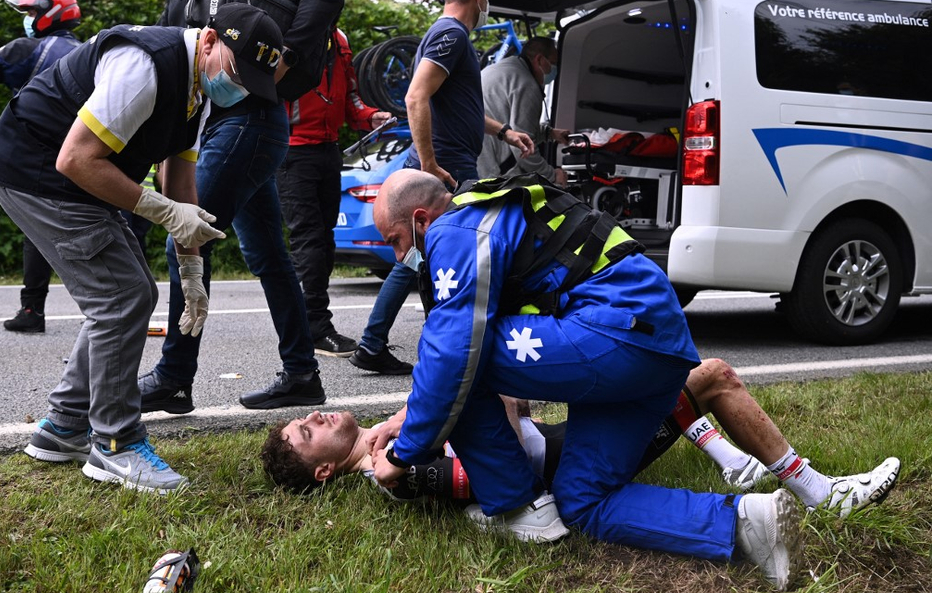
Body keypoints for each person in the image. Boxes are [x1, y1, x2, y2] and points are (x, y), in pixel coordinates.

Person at [364, 169, 810, 589]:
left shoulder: (456, 229)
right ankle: (750, 524)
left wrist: (402, 456)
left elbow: (452, 356)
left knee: (447, 353)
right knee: (583, 501)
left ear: (421, 219)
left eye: (397, 241)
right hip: (656, 349)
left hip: (616, 335)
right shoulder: (490, 209)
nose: (401, 256)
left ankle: (517, 506)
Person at [0, 3, 281, 493]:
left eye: (250, 81)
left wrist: (191, 267)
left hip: (70, 177)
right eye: (236, 71)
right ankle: (115, 444)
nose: (239, 86)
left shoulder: (197, 86)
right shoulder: (145, 66)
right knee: (121, 298)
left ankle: (63, 427)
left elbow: (180, 171)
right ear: (208, 40)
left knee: (128, 294)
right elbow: (76, 158)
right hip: (37, 171)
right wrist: (163, 213)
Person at [261, 357, 900, 521]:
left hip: (573, 435)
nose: (315, 419)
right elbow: (506, 474)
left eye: (307, 416)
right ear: (322, 471)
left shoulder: (395, 431)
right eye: (305, 432)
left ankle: (740, 462)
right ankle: (821, 494)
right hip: (581, 467)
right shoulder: (390, 474)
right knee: (710, 378)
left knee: (666, 371)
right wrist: (499, 394)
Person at [139, 0, 345, 414]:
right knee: (269, 255)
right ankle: (302, 374)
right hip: (211, 123)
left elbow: (305, 33)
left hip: (247, 121)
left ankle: (175, 378)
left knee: (187, 235)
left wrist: (260, 80)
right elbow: (171, 48)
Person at [349, 0, 535, 375]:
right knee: (459, 248)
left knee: (424, 253)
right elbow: (416, 96)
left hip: (450, 162)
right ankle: (452, 346)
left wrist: (504, 132)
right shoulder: (450, 34)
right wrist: (430, 165)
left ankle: (378, 342)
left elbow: (460, 106)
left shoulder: (452, 36)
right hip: (446, 167)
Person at [276, 26, 392, 359]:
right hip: (293, 152)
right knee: (309, 241)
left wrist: (372, 117)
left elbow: (352, 99)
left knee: (324, 242)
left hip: (329, 150)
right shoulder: (292, 33)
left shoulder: (340, 39)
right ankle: (315, 327)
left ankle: (310, 324)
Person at [0, 0, 82, 334]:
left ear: (47, 14)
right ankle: (108, 304)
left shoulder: (32, 48)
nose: (28, 20)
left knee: (35, 231)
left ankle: (32, 309)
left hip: (33, 154)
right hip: (78, 153)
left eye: (29, 13)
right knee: (82, 226)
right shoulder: (81, 51)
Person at [477, 37, 570, 186]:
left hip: (472, 153)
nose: (555, 69)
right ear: (539, 60)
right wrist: (552, 175)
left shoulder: (504, 68)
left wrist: (550, 133)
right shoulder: (527, 85)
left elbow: (513, 126)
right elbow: (522, 147)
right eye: (553, 63)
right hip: (490, 165)